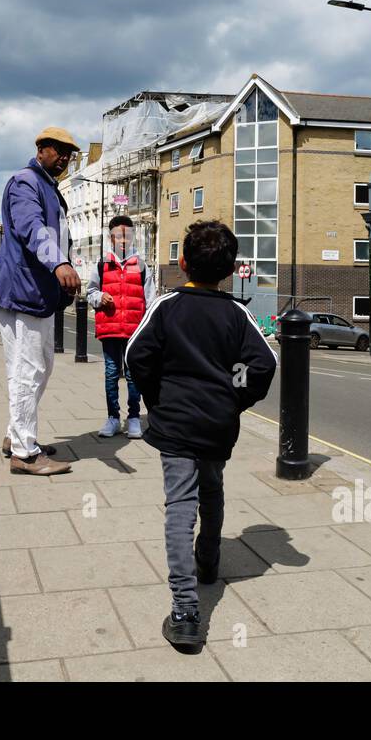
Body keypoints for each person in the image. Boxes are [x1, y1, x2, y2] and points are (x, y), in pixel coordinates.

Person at [125, 220, 277, 649]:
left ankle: (185, 611)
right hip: (216, 424)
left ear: (183, 262)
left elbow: (137, 356)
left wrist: (157, 401)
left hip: (174, 424)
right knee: (211, 491)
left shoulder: (167, 305)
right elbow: (264, 365)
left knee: (179, 506)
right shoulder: (236, 313)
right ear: (229, 270)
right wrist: (234, 400)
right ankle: (208, 561)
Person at [0, 126, 82, 476]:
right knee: (30, 371)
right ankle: (26, 454)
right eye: (59, 150)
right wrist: (59, 262)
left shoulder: (47, 185)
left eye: (69, 153)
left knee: (32, 369)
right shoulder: (26, 182)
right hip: (24, 290)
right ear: (41, 149)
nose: (65, 158)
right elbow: (31, 227)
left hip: (33, 291)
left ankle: (17, 436)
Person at [86, 215, 156, 439]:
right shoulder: (101, 264)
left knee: (133, 374)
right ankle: (113, 418)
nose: (123, 240)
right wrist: (100, 297)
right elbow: (90, 292)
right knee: (111, 374)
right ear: (111, 237)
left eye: (127, 235)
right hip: (110, 328)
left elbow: (151, 300)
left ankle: (134, 418)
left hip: (135, 331)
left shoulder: (142, 265)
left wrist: (151, 330)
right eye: (119, 236)